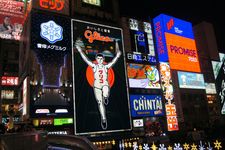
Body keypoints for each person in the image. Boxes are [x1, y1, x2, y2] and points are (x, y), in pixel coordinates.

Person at [75, 39, 121, 130]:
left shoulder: (106, 66)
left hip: (104, 84)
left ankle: (106, 96)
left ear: (103, 59)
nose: (99, 60)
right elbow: (86, 59)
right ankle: (103, 118)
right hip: (96, 86)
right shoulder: (94, 66)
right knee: (100, 103)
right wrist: (80, 50)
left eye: (101, 58)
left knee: (106, 92)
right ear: (96, 59)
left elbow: (114, 61)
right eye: (98, 58)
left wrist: (117, 56)